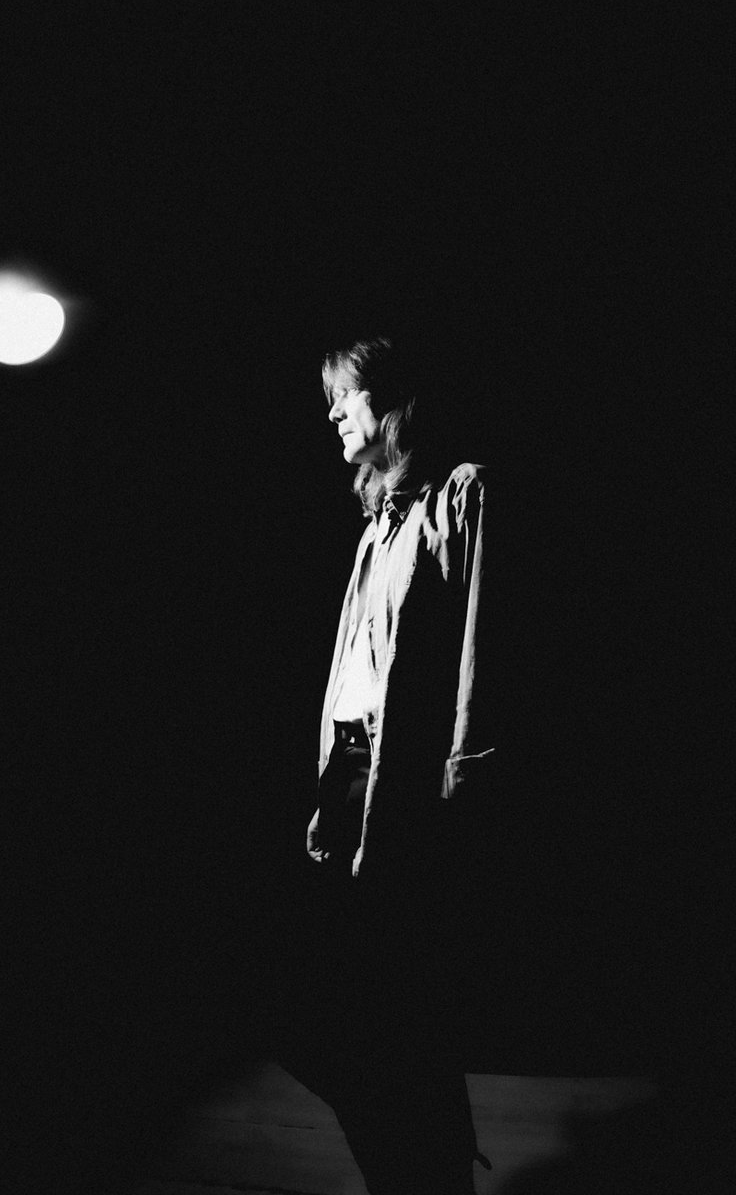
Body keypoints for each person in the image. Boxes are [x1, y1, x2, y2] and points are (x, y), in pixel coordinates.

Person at [276, 335, 496, 1195]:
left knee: (397, 1000)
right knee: (336, 1008)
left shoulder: (462, 496)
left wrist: (463, 782)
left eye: (346, 393)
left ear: (393, 399)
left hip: (408, 786)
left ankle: (431, 1170)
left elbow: (481, 650)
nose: (332, 411)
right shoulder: (376, 523)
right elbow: (351, 674)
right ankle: (419, 1161)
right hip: (352, 781)